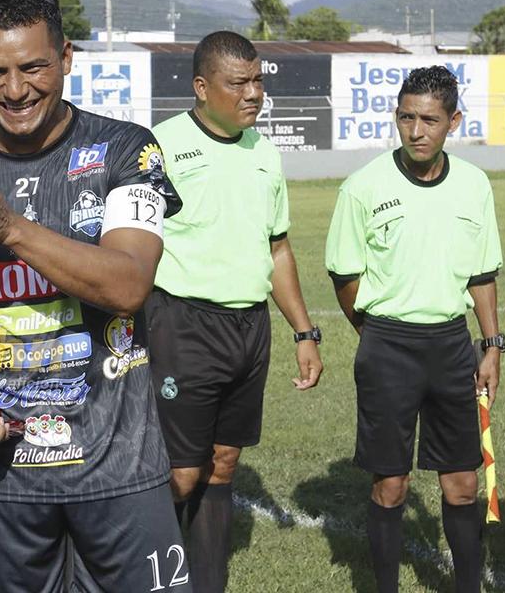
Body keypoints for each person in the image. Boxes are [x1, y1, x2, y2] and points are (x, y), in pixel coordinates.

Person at [0, 0, 192, 593]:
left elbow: (129, 283)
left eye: (34, 67)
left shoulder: (126, 151)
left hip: (119, 464)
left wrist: (9, 227)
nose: (15, 89)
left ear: (66, 59)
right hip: (0, 474)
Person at [147, 30, 323, 592]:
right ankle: (145, 575)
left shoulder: (264, 152)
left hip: (250, 328)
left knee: (223, 462)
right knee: (181, 470)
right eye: (238, 83)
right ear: (202, 87)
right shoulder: (160, 146)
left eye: (258, 81)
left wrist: (304, 330)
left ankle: (207, 583)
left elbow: (278, 247)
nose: (254, 94)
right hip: (182, 323)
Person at [325, 65, 502, 593]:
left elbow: (482, 273)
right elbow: (344, 275)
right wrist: (377, 334)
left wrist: (491, 345)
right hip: (388, 347)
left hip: (451, 346)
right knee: (391, 485)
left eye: (429, 119)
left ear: (453, 122)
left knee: (463, 484)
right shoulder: (363, 186)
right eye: (406, 117)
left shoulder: (474, 184)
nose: (416, 130)